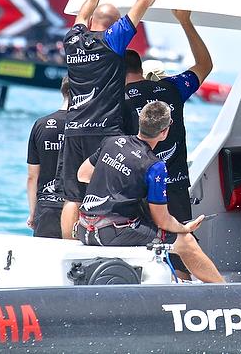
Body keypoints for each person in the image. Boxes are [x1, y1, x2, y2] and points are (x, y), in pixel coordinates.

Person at [60, 0, 184, 239]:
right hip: (103, 131)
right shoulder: (111, 42)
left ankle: (68, 250)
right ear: (114, 26)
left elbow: (80, 17)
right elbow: (144, 0)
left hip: (74, 128)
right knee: (114, 188)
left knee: (72, 197)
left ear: (93, 23)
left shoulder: (73, 40)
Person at [76, 101, 224, 283]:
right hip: (111, 233)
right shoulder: (155, 166)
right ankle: (225, 292)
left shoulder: (112, 142)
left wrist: (117, 182)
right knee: (186, 242)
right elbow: (162, 220)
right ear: (164, 132)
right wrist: (184, 228)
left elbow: (82, 174)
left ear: (140, 121)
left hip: (84, 228)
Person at [121, 10, 212, 272]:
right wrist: (186, 21)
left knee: (145, 253)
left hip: (140, 189)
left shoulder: (118, 99)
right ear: (140, 68)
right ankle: (184, 288)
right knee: (182, 244)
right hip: (175, 184)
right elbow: (205, 65)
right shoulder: (172, 88)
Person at [26, 76, 69, 238]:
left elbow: (32, 176)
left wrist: (33, 213)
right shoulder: (85, 126)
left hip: (45, 206)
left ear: (62, 91)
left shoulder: (41, 124)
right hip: (74, 205)